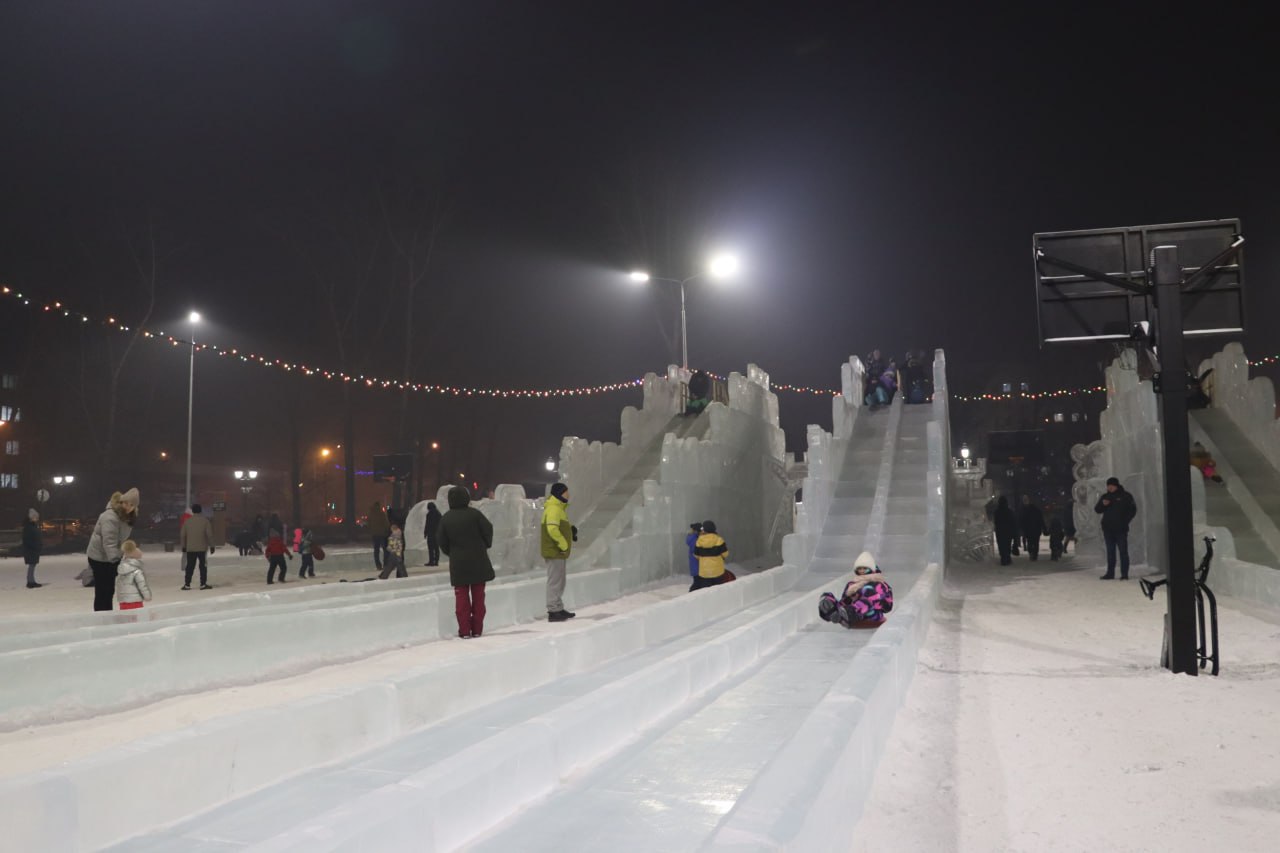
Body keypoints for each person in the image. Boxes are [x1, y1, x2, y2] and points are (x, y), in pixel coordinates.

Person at [437, 485, 496, 638]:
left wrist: (451, 552)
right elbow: (488, 530)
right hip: (478, 561)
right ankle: (477, 629)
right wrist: (484, 545)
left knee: (461, 599)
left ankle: (464, 631)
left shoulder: (446, 518)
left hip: (458, 564)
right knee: (478, 597)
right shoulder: (475, 515)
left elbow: (441, 541)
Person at [86, 488, 139, 611]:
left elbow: (119, 540)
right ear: (121, 502)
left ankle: (106, 614)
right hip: (98, 557)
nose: (128, 507)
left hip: (110, 557)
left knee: (109, 589)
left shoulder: (126, 517)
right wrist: (115, 561)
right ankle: (102, 616)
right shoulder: (110, 517)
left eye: (132, 505)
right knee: (103, 589)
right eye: (126, 503)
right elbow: (109, 542)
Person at [818, 551, 894, 628]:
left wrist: (863, 598)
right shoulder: (852, 584)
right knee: (827, 597)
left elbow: (887, 606)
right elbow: (844, 601)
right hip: (850, 613)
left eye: (865, 568)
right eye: (859, 568)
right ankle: (834, 614)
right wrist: (849, 597)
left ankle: (849, 614)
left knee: (868, 590)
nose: (862, 571)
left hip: (872, 615)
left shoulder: (879, 584)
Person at [541, 483, 576, 622]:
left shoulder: (558, 508)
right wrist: (563, 544)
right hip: (555, 550)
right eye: (566, 492)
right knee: (555, 581)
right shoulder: (554, 508)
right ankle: (553, 611)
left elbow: (558, 527)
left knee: (560, 581)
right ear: (559, 493)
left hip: (557, 551)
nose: (568, 495)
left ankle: (558, 607)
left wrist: (570, 531)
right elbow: (552, 529)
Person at [1095, 476, 1138, 580]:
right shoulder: (1105, 497)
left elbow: (1133, 510)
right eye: (1108, 486)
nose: (1109, 488)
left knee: (1123, 552)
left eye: (1111, 486)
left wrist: (1125, 521)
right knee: (1110, 552)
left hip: (1121, 529)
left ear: (1116, 486)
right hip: (1108, 529)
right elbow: (1097, 509)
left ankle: (1124, 574)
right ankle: (1110, 573)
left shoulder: (1126, 496)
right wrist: (1103, 504)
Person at [179, 503, 215, 590]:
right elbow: (209, 535)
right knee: (203, 566)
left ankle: (187, 584)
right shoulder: (205, 521)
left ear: (193, 511)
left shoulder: (187, 522)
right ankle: (203, 584)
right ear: (200, 511)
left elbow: (183, 535)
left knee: (190, 566)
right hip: (202, 548)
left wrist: (184, 546)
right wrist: (212, 546)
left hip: (190, 548)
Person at [691, 520, 730, 590]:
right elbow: (725, 554)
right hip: (718, 571)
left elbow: (696, 555)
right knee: (718, 591)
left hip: (704, 572)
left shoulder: (699, 541)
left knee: (706, 592)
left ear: (704, 530)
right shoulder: (719, 540)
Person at [115, 540, 152, 611]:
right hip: (135, 600)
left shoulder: (121, 568)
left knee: (125, 619)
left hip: (123, 601)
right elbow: (142, 585)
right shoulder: (137, 571)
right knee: (136, 618)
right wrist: (147, 596)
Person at [1019, 495, 1045, 561]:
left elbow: (1022, 520)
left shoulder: (1024, 510)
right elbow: (1041, 520)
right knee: (1036, 543)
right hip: (1036, 530)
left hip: (1028, 530)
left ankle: (1031, 554)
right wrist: (1043, 527)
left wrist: (1022, 528)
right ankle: (1035, 555)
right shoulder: (1036, 510)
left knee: (1030, 542)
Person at [992, 495, 1017, 566]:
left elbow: (996, 522)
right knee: (1007, 544)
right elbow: (1013, 522)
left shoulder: (997, 512)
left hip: (1000, 531)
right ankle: (1007, 557)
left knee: (1001, 545)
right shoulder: (1009, 511)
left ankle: (1003, 558)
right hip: (1008, 531)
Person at [22, 508, 43, 589]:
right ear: (32, 517)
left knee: (32, 565)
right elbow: (27, 539)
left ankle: (31, 581)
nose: (37, 519)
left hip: (33, 549)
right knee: (32, 565)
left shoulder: (32, 526)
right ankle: (30, 581)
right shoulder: (29, 527)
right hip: (31, 550)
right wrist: (35, 546)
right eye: (35, 517)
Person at [368, 501, 391, 572]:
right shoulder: (381, 513)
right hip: (382, 534)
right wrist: (387, 530)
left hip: (374, 534)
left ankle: (378, 565)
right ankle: (386, 564)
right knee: (385, 549)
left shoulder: (371, 514)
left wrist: (372, 531)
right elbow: (386, 523)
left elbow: (368, 524)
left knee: (376, 550)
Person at [423, 501, 442, 566]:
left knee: (431, 548)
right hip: (437, 533)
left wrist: (425, 533)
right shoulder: (439, 514)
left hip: (430, 533)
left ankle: (431, 561)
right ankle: (436, 561)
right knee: (436, 547)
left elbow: (427, 524)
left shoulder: (429, 514)